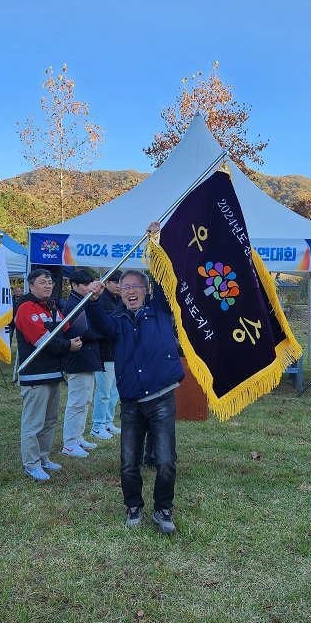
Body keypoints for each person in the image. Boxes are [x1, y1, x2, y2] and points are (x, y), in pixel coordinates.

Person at [87, 222, 185, 535]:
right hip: (131, 402)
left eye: (136, 287)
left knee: (166, 460)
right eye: (125, 287)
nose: (130, 291)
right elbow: (100, 326)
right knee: (128, 462)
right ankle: (133, 506)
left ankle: (163, 509)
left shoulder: (160, 308)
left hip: (161, 398)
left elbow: (166, 280)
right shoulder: (116, 319)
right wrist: (91, 299)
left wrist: (155, 243)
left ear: (145, 291)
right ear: (120, 292)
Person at [15, 268, 82, 482]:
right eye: (43, 282)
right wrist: (68, 346)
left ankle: (43, 458)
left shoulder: (52, 307)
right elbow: (42, 341)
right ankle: (31, 464)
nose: (48, 286)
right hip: (35, 375)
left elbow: (67, 327)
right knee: (33, 423)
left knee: (50, 420)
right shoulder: (26, 308)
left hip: (54, 373)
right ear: (31, 285)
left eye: (50, 282)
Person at [59, 269, 103, 458]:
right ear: (74, 285)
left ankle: (77, 437)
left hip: (89, 358)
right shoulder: (72, 305)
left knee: (85, 401)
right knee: (77, 402)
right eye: (84, 284)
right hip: (79, 359)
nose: (88, 287)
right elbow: (82, 332)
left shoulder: (84, 302)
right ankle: (69, 443)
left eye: (89, 283)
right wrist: (104, 332)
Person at [90, 269, 123, 440]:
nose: (119, 286)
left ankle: (108, 421)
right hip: (104, 354)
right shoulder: (100, 301)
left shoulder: (119, 300)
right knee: (103, 392)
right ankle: (97, 425)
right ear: (107, 283)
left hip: (117, 353)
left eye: (121, 282)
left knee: (114, 391)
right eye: (116, 282)